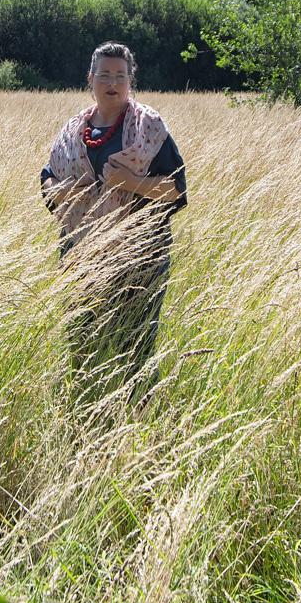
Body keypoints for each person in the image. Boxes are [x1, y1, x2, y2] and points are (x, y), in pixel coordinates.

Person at [39, 42, 188, 401]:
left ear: (130, 80)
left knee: (135, 346)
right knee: (81, 341)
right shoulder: (73, 130)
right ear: (90, 79)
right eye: (104, 75)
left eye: (120, 75)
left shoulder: (148, 126)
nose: (112, 83)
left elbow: (176, 189)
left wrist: (131, 183)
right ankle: (86, 411)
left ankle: (138, 418)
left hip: (140, 254)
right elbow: (47, 180)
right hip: (80, 251)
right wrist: (64, 190)